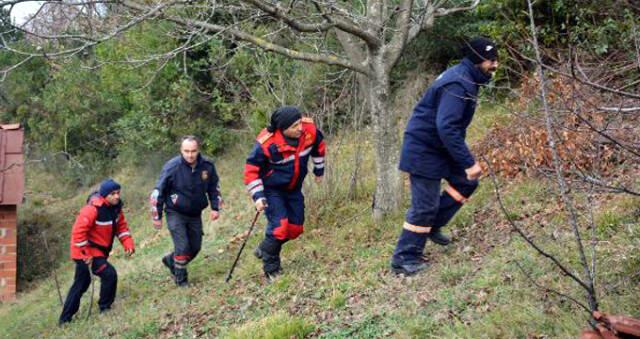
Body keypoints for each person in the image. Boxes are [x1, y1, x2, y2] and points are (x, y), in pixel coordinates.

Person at [391, 37, 500, 275]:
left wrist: (465, 166)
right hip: (424, 149)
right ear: (477, 60)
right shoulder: (459, 84)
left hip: (439, 147)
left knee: (465, 181)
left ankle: (432, 225)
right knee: (424, 206)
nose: (495, 65)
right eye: (491, 60)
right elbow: (447, 127)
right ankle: (404, 258)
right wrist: (469, 162)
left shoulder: (466, 78)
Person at [243, 106, 326, 280]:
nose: (300, 128)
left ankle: (266, 248)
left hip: (294, 188)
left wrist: (319, 171)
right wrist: (258, 196)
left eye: (300, 123)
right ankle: (271, 269)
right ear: (283, 129)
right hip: (272, 190)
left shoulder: (309, 130)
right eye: (294, 126)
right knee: (280, 228)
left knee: (295, 229)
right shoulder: (267, 143)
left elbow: (319, 145)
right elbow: (251, 170)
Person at [59, 179, 135, 325]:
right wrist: (85, 254)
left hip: (97, 252)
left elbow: (121, 228)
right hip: (85, 253)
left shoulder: (116, 209)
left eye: (118, 193)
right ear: (104, 195)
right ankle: (105, 308)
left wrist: (128, 244)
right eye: (113, 194)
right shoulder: (91, 209)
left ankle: (65, 319)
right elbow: (78, 233)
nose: (117, 196)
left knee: (81, 283)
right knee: (109, 274)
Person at [150, 136, 222, 286]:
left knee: (195, 247)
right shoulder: (172, 167)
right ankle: (181, 280)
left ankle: (171, 260)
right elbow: (158, 192)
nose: (190, 155)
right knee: (182, 246)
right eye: (186, 151)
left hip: (195, 213)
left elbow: (214, 187)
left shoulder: (207, 166)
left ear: (198, 150)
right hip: (175, 212)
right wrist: (156, 216)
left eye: (193, 151)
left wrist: (215, 207)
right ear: (181, 150)